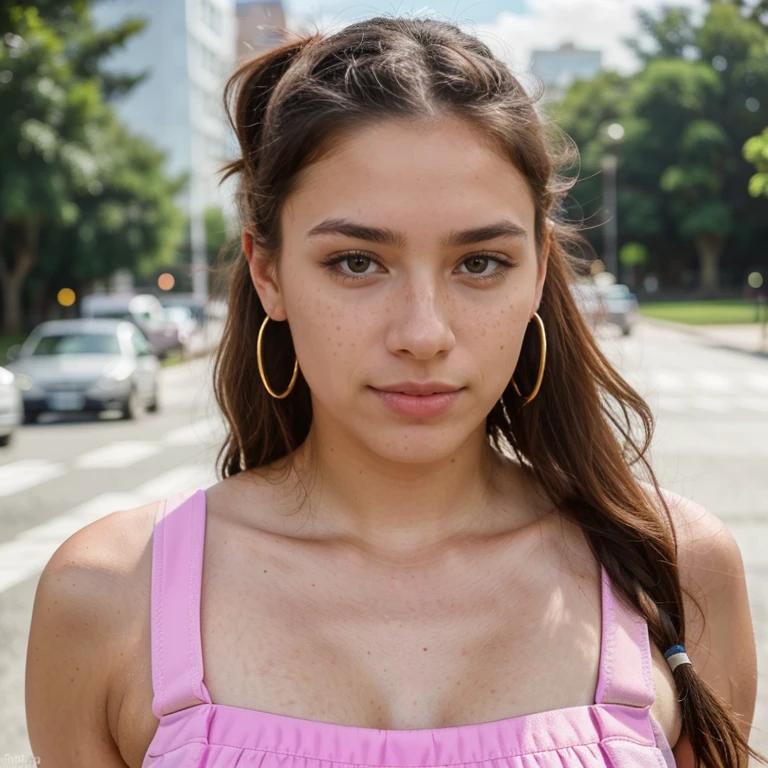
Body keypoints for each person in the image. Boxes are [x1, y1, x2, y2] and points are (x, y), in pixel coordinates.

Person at [25, 16, 760, 768]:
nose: (423, 332)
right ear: (268, 271)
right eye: (355, 262)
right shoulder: (112, 595)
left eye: (479, 263)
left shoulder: (674, 569)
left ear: (539, 270)